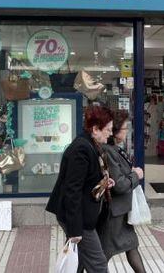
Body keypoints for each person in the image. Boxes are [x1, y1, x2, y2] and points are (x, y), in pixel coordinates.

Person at [46, 105, 115, 273]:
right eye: (108, 129)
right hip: (79, 218)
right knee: (98, 264)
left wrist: (104, 182)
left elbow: (86, 181)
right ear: (95, 129)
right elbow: (72, 190)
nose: (111, 133)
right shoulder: (81, 149)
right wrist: (75, 230)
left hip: (82, 215)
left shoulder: (91, 143)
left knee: (76, 261)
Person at [97, 109, 146, 273]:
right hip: (114, 214)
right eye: (125, 128)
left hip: (122, 211)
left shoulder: (115, 149)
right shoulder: (109, 151)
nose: (127, 131)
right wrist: (136, 175)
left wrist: (130, 172)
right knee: (103, 254)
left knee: (132, 246)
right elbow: (119, 185)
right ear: (115, 131)